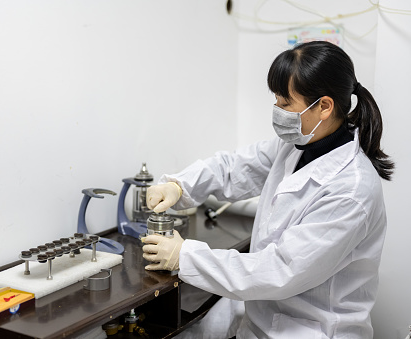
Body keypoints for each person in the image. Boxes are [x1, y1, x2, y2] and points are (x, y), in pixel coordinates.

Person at [141, 41, 394, 339]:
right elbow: (237, 167)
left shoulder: (351, 190)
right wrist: (180, 185)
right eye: (276, 101)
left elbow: (281, 269)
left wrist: (186, 256)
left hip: (310, 329)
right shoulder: (298, 145)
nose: (277, 111)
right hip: (264, 314)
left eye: (286, 104)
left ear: (324, 106)